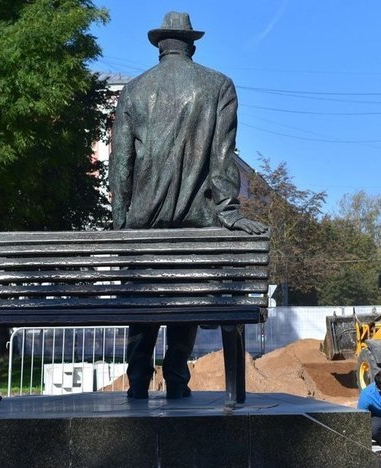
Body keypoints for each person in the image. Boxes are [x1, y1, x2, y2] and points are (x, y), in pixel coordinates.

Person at [109, 12, 267, 400]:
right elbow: (222, 159)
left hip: (141, 227)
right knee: (187, 298)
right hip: (197, 226)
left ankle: (137, 382)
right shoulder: (218, 86)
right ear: (191, 45)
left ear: (160, 46)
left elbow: (120, 166)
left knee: (142, 306)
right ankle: (177, 378)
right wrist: (229, 213)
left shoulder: (134, 91)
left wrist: (121, 224)